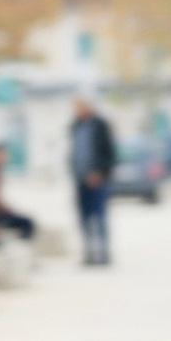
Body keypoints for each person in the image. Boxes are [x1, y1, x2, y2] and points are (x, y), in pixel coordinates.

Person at [69, 96, 116, 266]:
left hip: (98, 180)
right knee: (84, 218)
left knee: (99, 217)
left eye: (80, 107)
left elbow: (109, 153)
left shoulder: (101, 126)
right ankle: (88, 252)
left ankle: (103, 253)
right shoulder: (75, 126)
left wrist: (99, 173)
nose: (76, 110)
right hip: (80, 179)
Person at [0, 143, 36, 244]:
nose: (4, 158)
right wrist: (6, 210)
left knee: (26, 222)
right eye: (1, 155)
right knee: (27, 223)